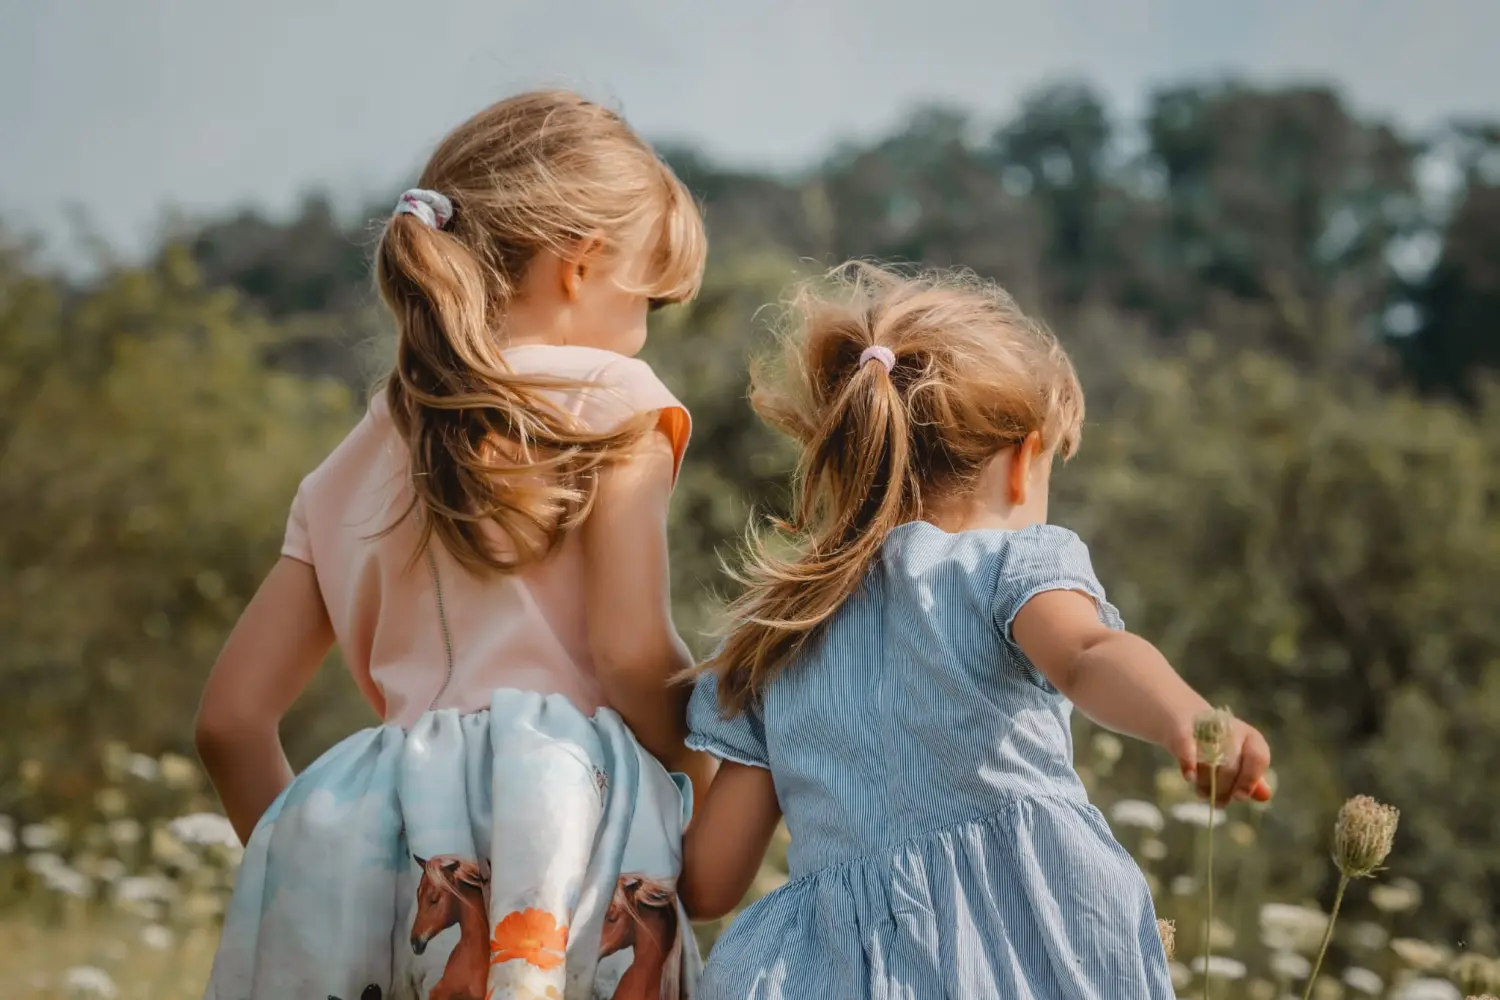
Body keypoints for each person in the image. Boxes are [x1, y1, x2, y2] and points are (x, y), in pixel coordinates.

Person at [194, 89, 713, 1000]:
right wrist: (715, 761)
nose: (644, 328)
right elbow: (632, 657)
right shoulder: (613, 400)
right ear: (580, 266)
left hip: (378, 836)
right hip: (564, 835)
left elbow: (230, 723)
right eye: (650, 298)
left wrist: (324, 876)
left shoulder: (344, 467)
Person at [679, 263, 1273, 999]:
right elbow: (1088, 656)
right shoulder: (1006, 566)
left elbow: (707, 883)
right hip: (1013, 950)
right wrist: (1188, 717)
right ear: (1022, 463)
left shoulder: (782, 630)